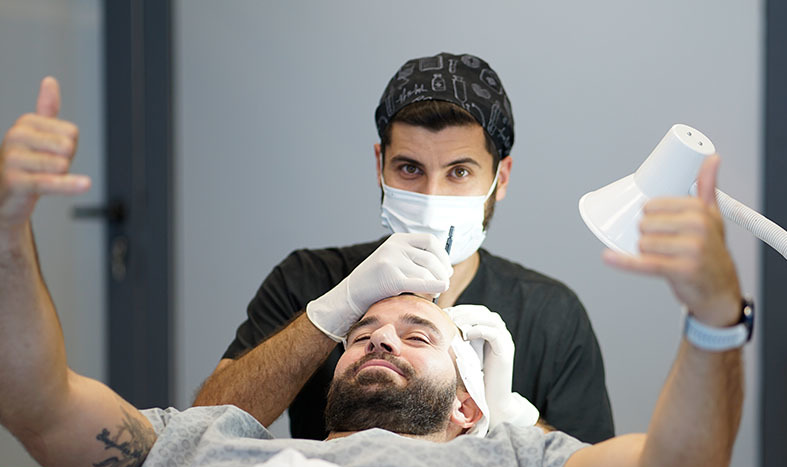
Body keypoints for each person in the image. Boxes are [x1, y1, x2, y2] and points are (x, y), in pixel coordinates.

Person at [0, 76, 747, 467]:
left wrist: (716, 319)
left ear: (470, 403)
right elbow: (36, 399)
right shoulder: (205, 449)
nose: (379, 333)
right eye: (362, 332)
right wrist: (3, 232)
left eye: (419, 333)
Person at [191, 52, 613, 443]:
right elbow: (202, 430)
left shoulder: (552, 314)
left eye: (459, 172)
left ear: (500, 178)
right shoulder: (306, 279)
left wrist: (508, 415)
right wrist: (331, 312)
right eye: (410, 168)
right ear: (380, 164)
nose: (432, 196)